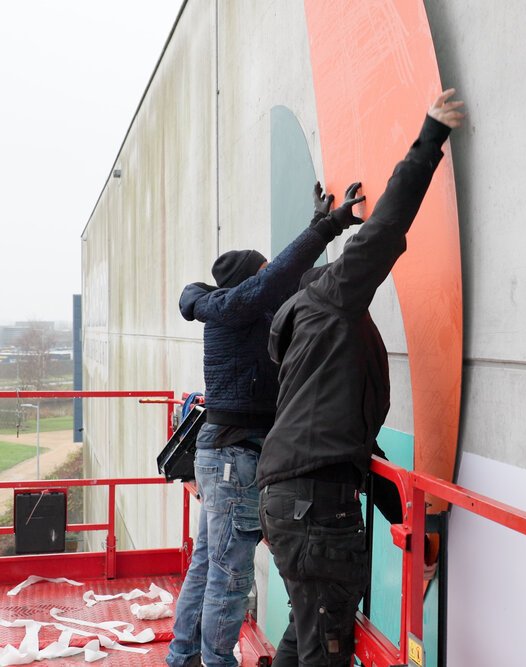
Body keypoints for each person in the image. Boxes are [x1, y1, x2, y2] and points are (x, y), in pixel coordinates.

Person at [257, 89, 465, 667]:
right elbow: (384, 228)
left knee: (304, 638)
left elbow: (346, 442)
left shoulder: (308, 341)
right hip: (317, 511)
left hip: (287, 504)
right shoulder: (333, 301)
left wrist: (404, 519)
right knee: (326, 649)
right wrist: (430, 138)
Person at [166, 181, 366, 667]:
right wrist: (328, 226)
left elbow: (287, 276)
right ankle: (215, 661)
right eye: (261, 276)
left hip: (222, 454)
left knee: (207, 564)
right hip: (237, 456)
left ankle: (183, 654)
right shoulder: (236, 309)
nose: (271, 283)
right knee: (229, 577)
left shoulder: (235, 310)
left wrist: (332, 234)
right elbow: (277, 279)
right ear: (248, 284)